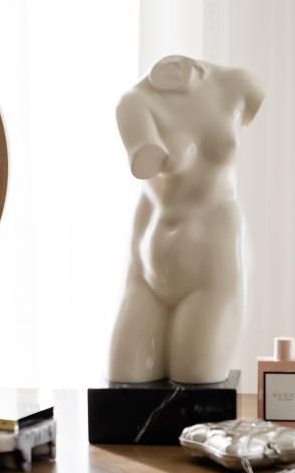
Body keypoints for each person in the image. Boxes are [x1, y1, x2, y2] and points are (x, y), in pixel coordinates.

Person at [109, 54, 264, 384]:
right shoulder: (134, 102)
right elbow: (146, 159)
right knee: (126, 378)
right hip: (147, 265)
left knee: (197, 376)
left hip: (213, 261)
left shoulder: (237, 83)